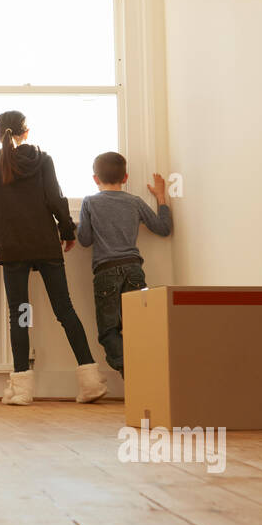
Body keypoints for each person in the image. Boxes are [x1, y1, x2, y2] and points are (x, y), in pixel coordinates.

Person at [0, 110, 109, 406]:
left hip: (13, 249)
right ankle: (90, 381)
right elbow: (55, 199)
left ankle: (22, 390)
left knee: (20, 315)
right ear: (27, 131)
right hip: (45, 245)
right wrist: (66, 230)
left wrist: (4, 227)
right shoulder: (43, 159)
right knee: (65, 311)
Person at [75, 151, 173, 378]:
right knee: (138, 327)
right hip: (133, 270)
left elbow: (84, 240)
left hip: (105, 271)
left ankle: (130, 371)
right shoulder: (135, 202)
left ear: (95, 179)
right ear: (125, 177)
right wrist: (160, 197)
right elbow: (163, 228)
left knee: (109, 330)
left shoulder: (90, 203)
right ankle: (143, 376)